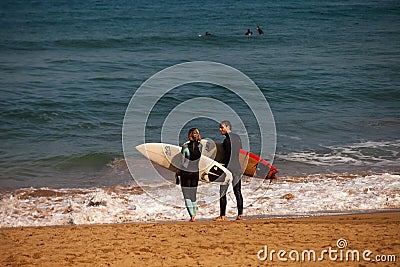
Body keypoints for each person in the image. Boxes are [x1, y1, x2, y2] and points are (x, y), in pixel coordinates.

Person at [213, 121, 244, 221]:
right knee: (238, 191)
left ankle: (222, 216)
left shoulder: (227, 140)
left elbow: (228, 156)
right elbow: (240, 152)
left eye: (222, 127)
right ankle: (240, 214)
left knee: (222, 192)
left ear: (227, 127)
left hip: (228, 169)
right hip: (237, 168)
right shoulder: (238, 138)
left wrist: (221, 164)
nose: (220, 129)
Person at [176, 128, 202, 222]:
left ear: (189, 136)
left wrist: (177, 172)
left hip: (186, 173)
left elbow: (182, 162)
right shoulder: (200, 147)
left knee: (187, 196)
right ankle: (194, 214)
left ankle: (192, 216)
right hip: (196, 172)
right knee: (193, 195)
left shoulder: (185, 147)